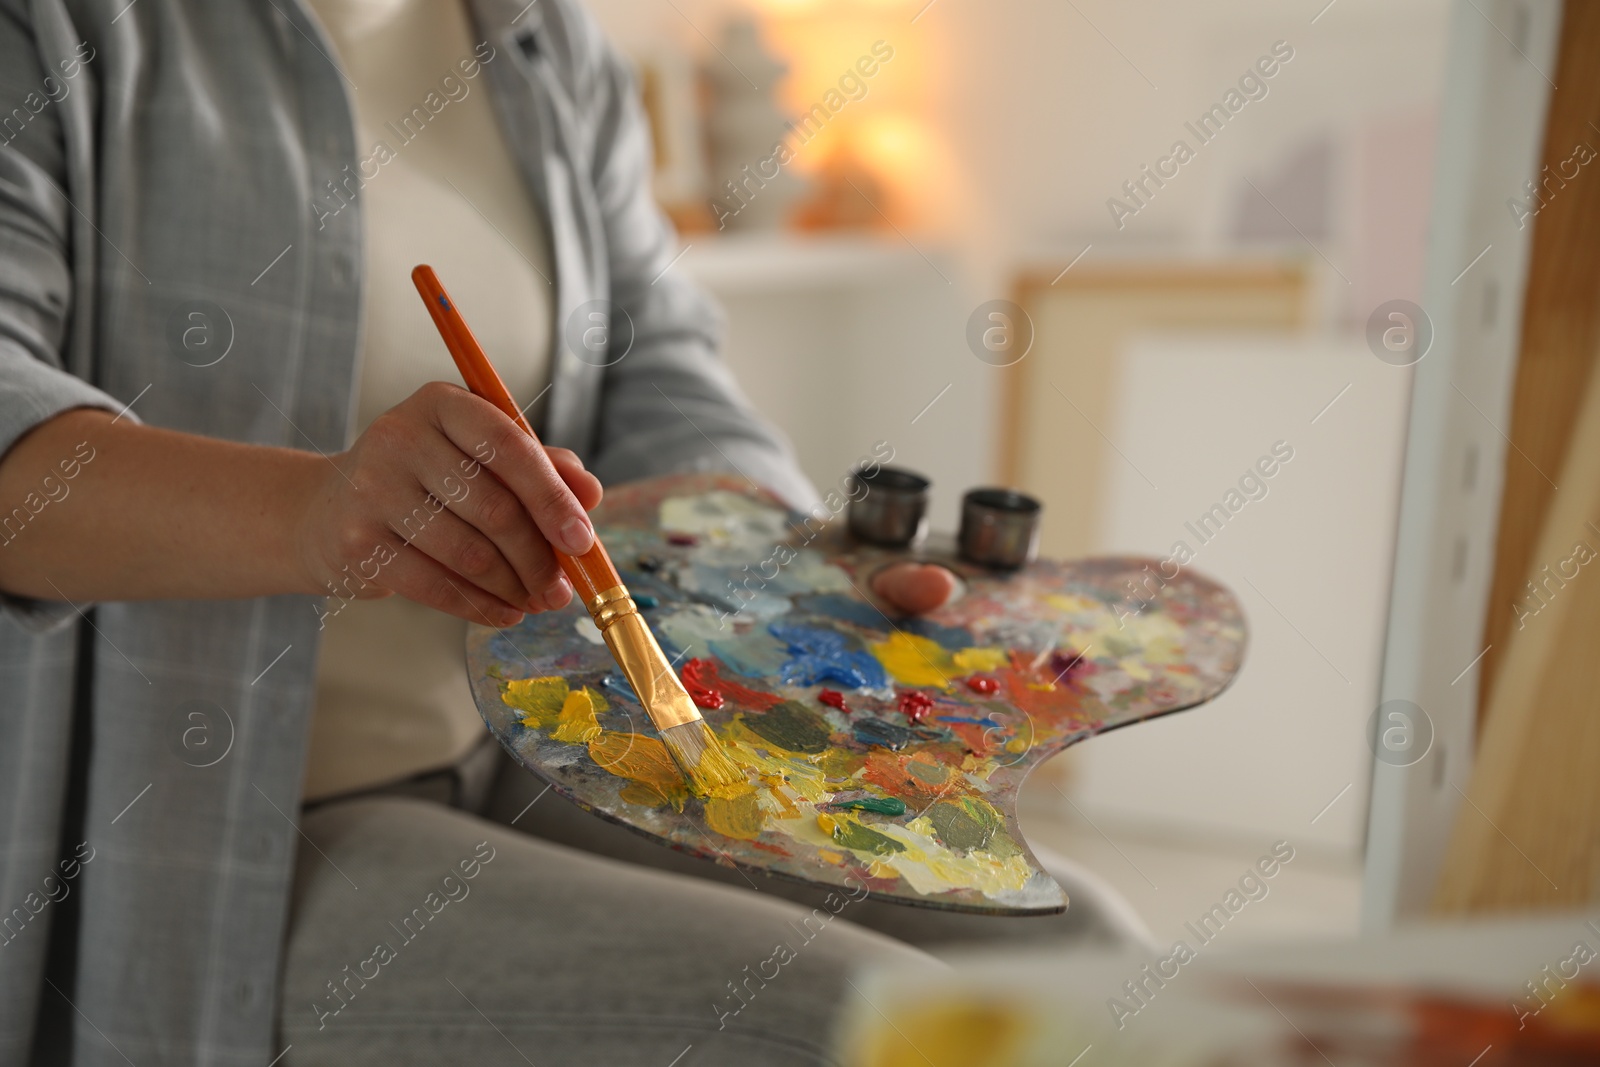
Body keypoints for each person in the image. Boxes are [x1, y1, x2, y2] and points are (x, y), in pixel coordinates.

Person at [0, 1, 1140, 1063]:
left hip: (532, 747)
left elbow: (659, 363)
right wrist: (315, 512)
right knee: (863, 1027)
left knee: (1087, 951)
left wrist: (786, 569)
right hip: (230, 820)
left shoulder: (536, 38)